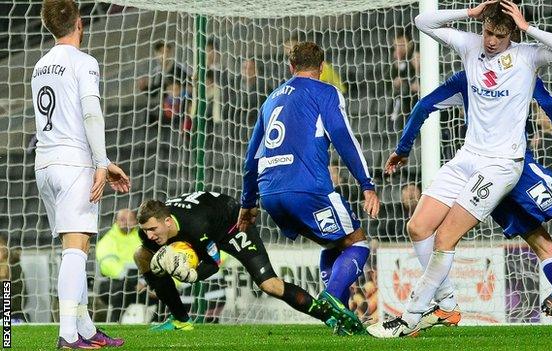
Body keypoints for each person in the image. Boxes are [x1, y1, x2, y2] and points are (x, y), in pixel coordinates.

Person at [367, 0, 552, 338]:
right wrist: (469, 14)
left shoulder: (527, 55)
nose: (490, 40)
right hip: (468, 157)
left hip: (501, 165)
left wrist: (527, 29)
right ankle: (447, 305)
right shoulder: (471, 46)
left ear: (510, 32)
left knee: (447, 236)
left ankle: (408, 319)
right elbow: (423, 21)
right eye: (487, 32)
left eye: (498, 34)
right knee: (418, 227)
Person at [384, 70, 552, 334]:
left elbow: (423, 104)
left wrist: (402, 149)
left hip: (484, 178)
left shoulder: (468, 75)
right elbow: (549, 104)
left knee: (545, 248)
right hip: (515, 168)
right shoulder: (521, 70)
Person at [237, 41, 380, 335]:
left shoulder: (271, 99)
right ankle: (330, 300)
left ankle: (340, 323)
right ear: (323, 68)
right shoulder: (325, 92)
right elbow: (343, 138)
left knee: (334, 243)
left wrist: (247, 204)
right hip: (307, 189)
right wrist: (367, 185)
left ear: (291, 67)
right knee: (357, 242)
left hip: (270, 195)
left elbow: (251, 158)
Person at [32, 1, 131, 348]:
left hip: (45, 164)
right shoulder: (84, 62)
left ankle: (86, 329)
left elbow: (64, 121)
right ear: (80, 22)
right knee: (77, 250)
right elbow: (91, 114)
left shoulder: (40, 66)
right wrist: (101, 162)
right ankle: (67, 335)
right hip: (74, 165)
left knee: (74, 249)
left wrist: (104, 162)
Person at [133, 191, 357, 332]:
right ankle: (180, 319)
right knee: (141, 255)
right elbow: (150, 246)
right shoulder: (149, 233)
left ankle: (327, 315)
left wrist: (193, 275)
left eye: (153, 229)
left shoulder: (196, 226)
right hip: (205, 225)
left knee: (270, 285)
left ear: (168, 221)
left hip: (233, 224)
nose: (150, 235)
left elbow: (213, 263)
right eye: (146, 230)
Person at [95, 209, 142, 322]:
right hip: (114, 282)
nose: (125, 223)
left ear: (136, 222)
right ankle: (115, 322)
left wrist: (144, 282)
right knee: (120, 290)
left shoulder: (143, 238)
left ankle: (160, 321)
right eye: (122, 220)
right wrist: (132, 280)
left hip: (142, 282)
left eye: (129, 220)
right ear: (116, 221)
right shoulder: (107, 240)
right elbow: (107, 265)